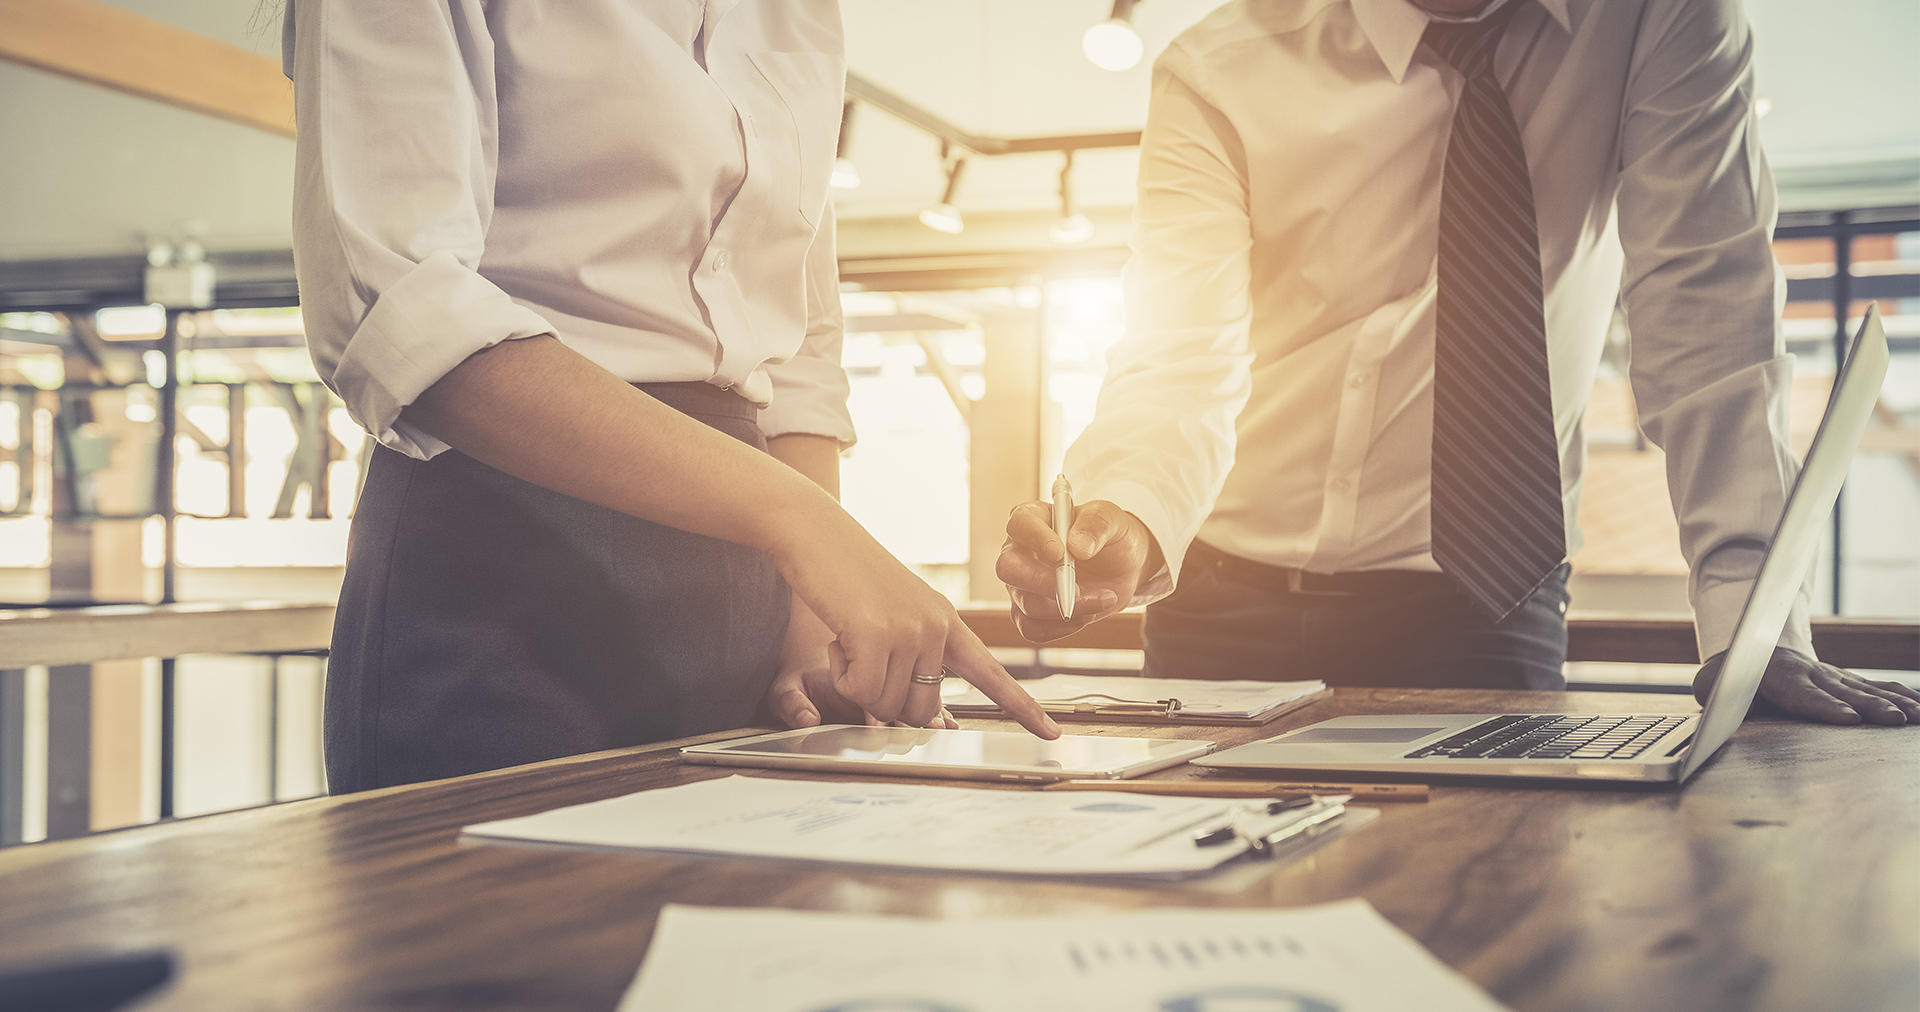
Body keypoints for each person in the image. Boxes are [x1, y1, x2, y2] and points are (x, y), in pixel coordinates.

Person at [999, 0, 1919, 725]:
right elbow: (1180, 354)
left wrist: (1754, 631)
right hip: (1221, 598)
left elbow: (1705, 316)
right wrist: (1127, 511)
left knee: (1505, 930)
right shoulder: (1218, 65)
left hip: (1484, 598)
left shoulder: (1656, 17)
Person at [284, 0, 1057, 794]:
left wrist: (807, 623)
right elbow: (405, 312)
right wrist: (803, 525)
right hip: (506, 550)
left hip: (745, 572)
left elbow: (797, 352)